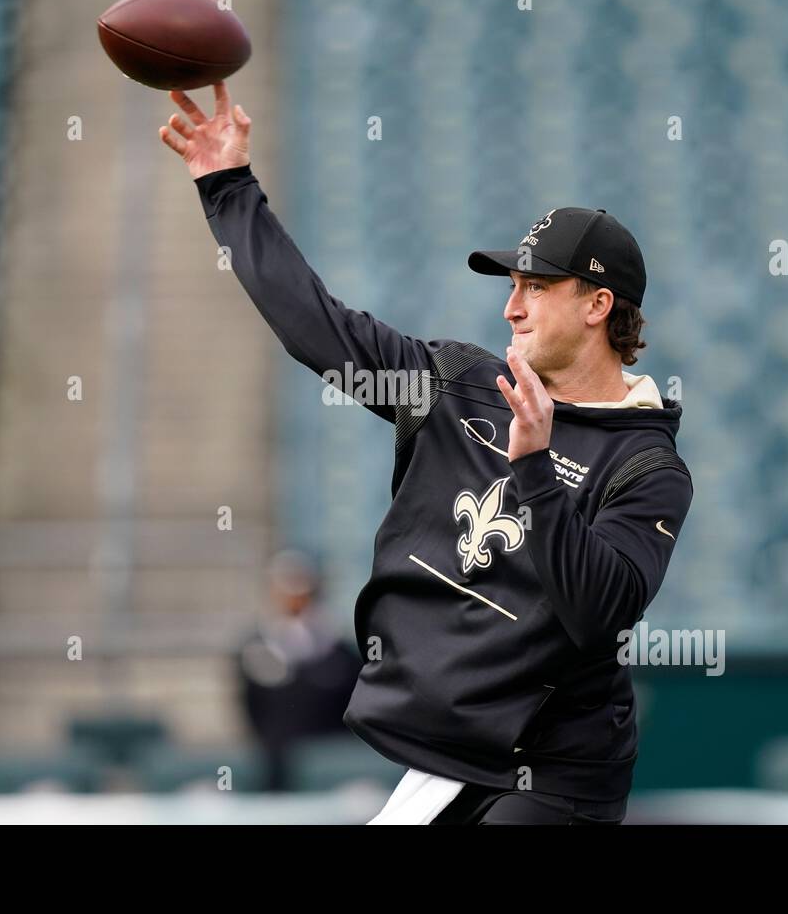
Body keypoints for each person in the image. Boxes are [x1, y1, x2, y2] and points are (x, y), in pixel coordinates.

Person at [160, 82, 693, 824]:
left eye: (536, 286)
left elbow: (598, 611)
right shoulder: (459, 384)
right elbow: (319, 328)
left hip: (559, 778)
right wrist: (226, 186)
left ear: (598, 305)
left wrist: (535, 468)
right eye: (512, 285)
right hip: (449, 758)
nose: (511, 306)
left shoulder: (647, 467)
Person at [233, 550, 362, 792]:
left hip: (328, 758)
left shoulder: (337, 646)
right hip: (275, 761)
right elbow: (250, 704)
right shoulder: (256, 645)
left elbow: (350, 697)